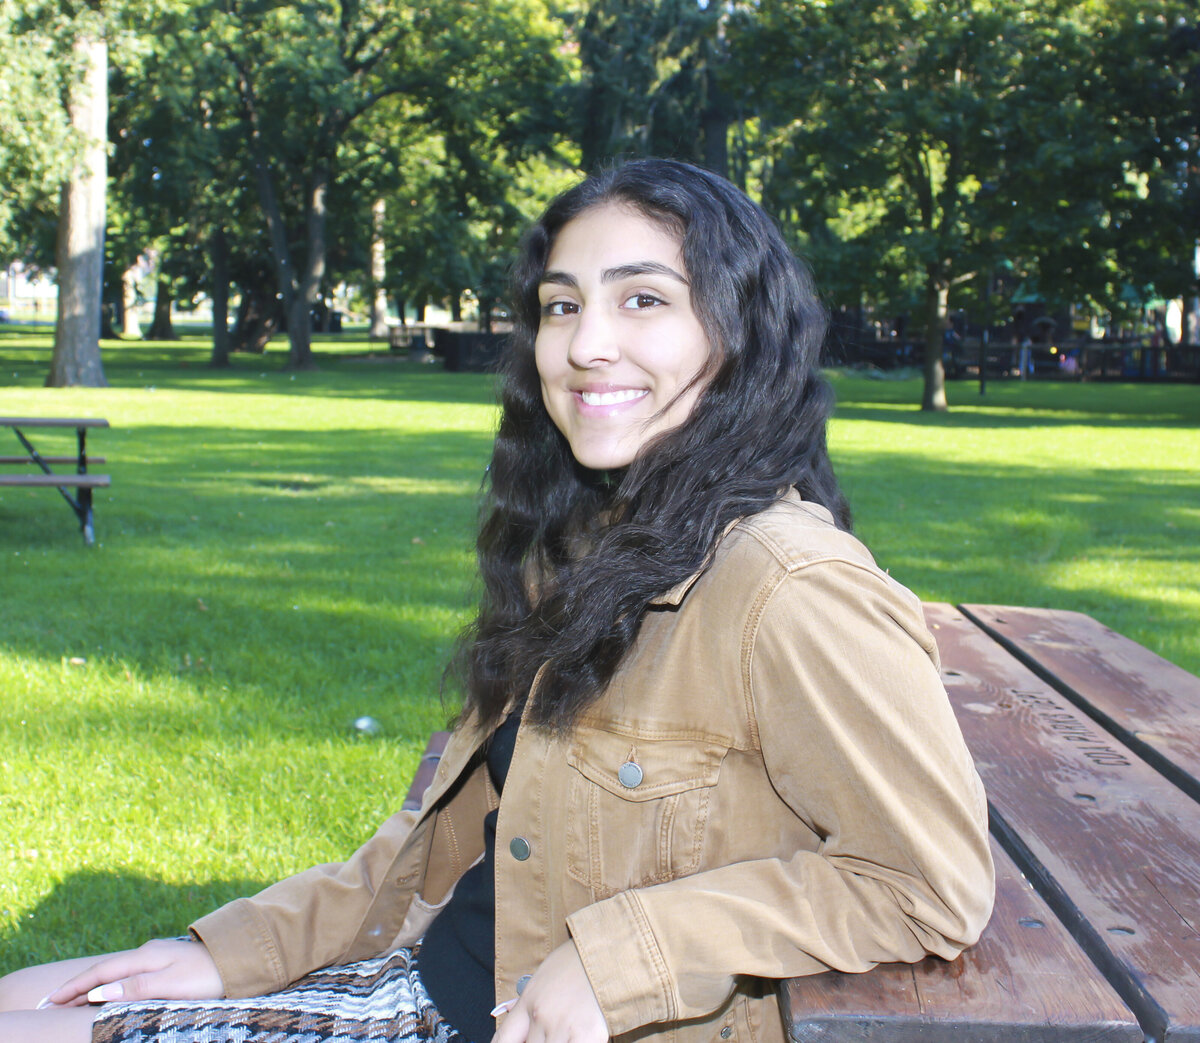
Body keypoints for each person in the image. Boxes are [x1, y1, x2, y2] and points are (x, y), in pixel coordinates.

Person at [0, 158, 995, 1043]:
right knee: (27, 1000)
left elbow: (927, 879)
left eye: (643, 299)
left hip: (485, 1017)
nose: (586, 344)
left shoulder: (791, 587)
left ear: (739, 334)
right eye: (561, 305)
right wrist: (236, 952)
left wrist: (626, 958)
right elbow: (441, 844)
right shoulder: (587, 544)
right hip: (432, 976)